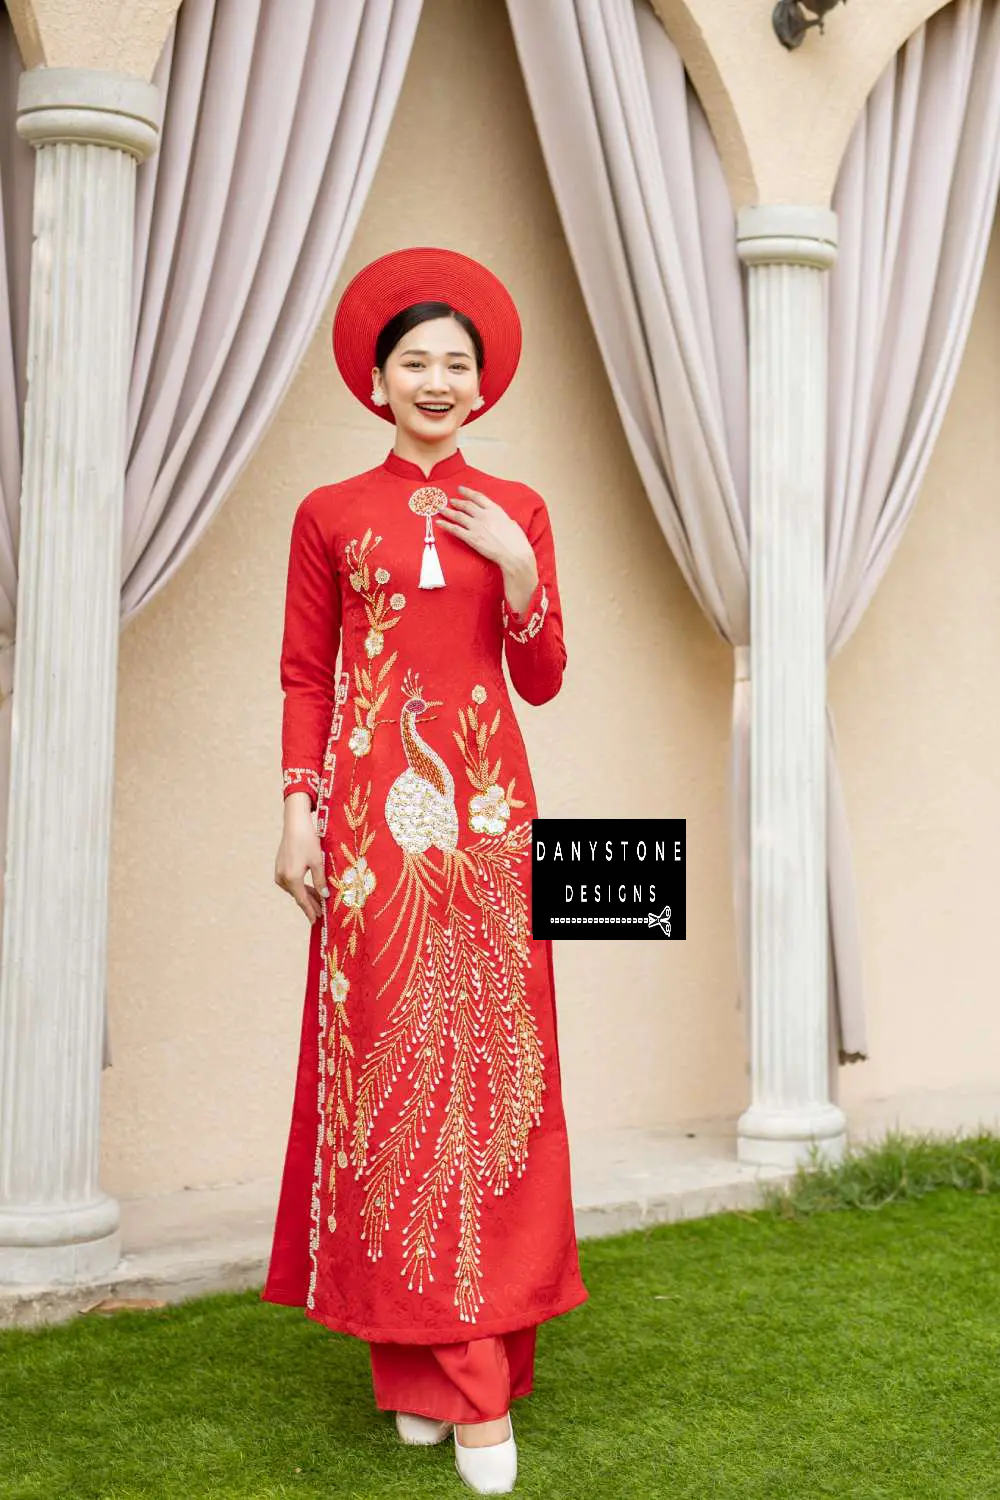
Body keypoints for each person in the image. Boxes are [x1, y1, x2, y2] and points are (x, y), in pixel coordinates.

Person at [261, 247, 588, 1495]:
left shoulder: (524, 509)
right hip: (370, 831)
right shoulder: (329, 513)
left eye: (459, 363)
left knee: (495, 1076)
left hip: (495, 823)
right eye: (417, 362)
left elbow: (544, 674)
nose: (438, 380)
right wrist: (299, 811)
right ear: (380, 380)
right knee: (392, 1073)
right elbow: (306, 674)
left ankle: (469, 1372)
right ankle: (420, 1365)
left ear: (483, 382)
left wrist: (516, 567)